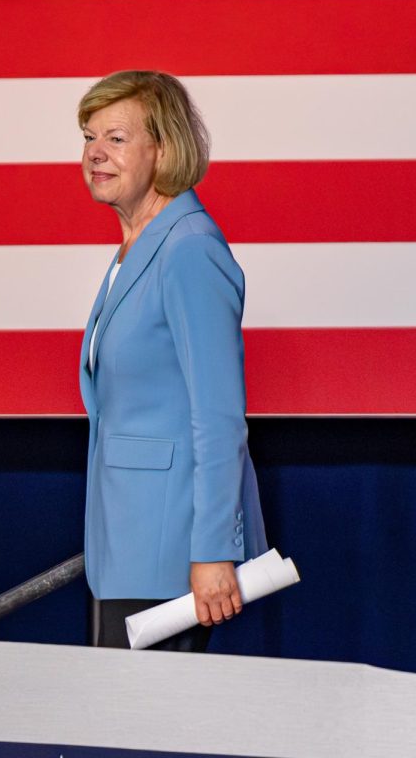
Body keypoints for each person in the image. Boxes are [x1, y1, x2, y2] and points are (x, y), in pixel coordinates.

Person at [77, 70, 267, 650]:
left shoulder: (189, 250)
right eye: (88, 137)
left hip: (170, 553)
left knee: (143, 735)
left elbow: (219, 418)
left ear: (164, 149)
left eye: (116, 137)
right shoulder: (138, 246)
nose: (94, 154)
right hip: (126, 546)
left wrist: (213, 550)